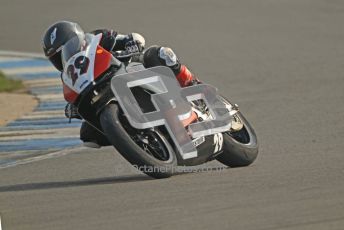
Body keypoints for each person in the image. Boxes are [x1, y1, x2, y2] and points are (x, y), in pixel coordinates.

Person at [42, 21, 199, 148]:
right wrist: (74, 107)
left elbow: (127, 39)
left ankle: (192, 85)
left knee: (159, 54)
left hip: (128, 69)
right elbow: (76, 95)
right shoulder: (70, 75)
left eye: (66, 48)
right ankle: (138, 139)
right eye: (56, 58)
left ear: (78, 38)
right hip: (102, 90)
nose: (62, 58)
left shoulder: (98, 37)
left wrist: (132, 42)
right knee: (88, 136)